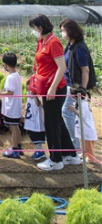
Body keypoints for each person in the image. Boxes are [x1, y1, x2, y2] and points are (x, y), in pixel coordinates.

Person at [29, 14, 81, 171]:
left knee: (51, 124)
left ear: (41, 27)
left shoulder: (53, 42)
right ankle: (71, 155)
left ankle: (55, 160)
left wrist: (53, 88)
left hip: (55, 88)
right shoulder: (42, 41)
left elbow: (62, 67)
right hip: (45, 86)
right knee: (56, 120)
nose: (33, 31)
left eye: (34, 28)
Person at [60, 19, 96, 152]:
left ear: (71, 31)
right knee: (71, 113)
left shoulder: (80, 48)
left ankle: (74, 145)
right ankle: (75, 143)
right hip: (68, 84)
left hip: (75, 87)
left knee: (67, 111)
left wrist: (82, 91)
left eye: (63, 30)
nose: (62, 33)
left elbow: (85, 70)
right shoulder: (70, 46)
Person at [0, 52, 23, 159]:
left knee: (13, 127)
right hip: (15, 107)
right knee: (15, 127)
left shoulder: (10, 78)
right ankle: (19, 147)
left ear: (6, 65)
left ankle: (15, 149)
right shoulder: (17, 75)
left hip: (11, 107)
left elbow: (10, 92)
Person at [68, 84, 98, 164]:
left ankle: (91, 158)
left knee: (88, 145)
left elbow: (82, 116)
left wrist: (73, 110)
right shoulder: (81, 102)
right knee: (83, 143)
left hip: (86, 128)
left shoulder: (83, 104)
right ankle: (84, 155)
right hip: (84, 127)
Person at [23, 80, 46, 160]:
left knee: (37, 137)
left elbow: (38, 103)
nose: (28, 92)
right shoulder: (29, 98)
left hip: (36, 123)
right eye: (27, 90)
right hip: (30, 122)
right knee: (32, 136)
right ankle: (38, 150)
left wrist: (35, 94)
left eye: (30, 90)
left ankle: (40, 151)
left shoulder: (35, 99)